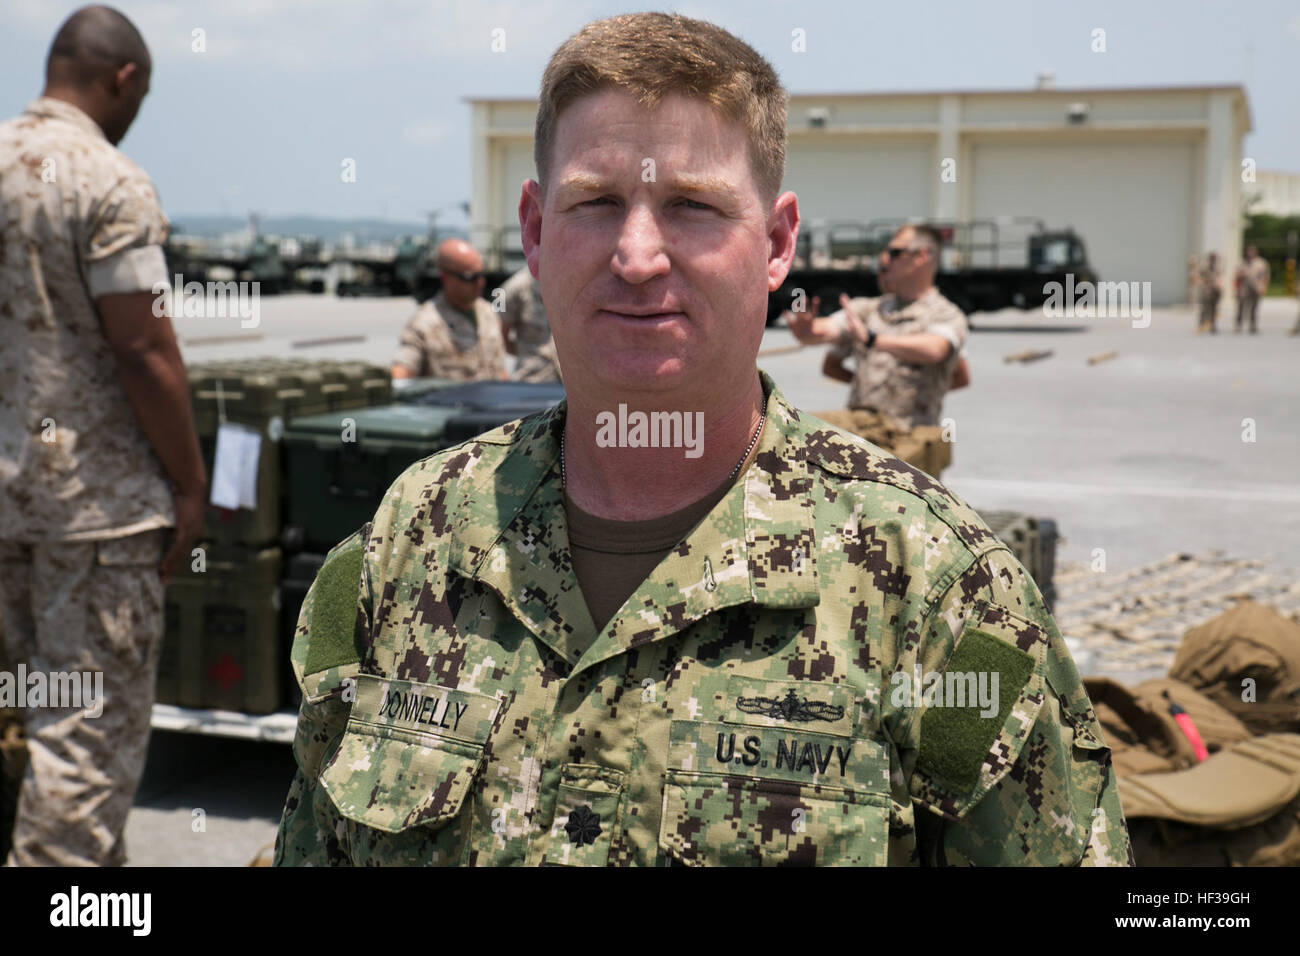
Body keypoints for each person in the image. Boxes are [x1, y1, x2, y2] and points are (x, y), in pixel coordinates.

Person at [276, 12, 1131, 867]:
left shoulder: (937, 591)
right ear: (535, 232)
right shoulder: (414, 539)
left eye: (692, 206)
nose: (638, 256)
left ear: (777, 242)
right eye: (597, 202)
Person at [0, 5, 206, 866]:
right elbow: (144, 347)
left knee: (20, 732)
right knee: (80, 748)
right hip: (93, 520)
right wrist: (190, 484)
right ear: (123, 80)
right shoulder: (109, 182)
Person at [786, 224, 967, 431]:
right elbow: (828, 329)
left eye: (895, 253)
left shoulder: (946, 314)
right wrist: (808, 332)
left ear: (921, 257)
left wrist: (873, 339)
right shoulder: (869, 309)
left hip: (908, 434)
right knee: (795, 433)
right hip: (863, 433)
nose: (886, 259)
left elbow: (936, 349)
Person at [390, 238, 507, 381]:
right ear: (445, 277)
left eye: (481, 275)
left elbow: (500, 371)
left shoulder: (489, 313)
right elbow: (401, 375)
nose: (480, 283)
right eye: (470, 277)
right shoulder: (424, 324)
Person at [498, 266, 562, 382]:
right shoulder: (513, 288)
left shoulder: (565, 282)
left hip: (566, 380)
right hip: (533, 378)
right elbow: (499, 335)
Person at [1234, 245, 1269, 334]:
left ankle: (1253, 325)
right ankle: (1238, 324)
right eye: (1249, 251)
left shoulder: (1260, 263)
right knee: (1241, 306)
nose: (1250, 253)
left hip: (1256, 287)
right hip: (1244, 287)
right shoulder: (1241, 262)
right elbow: (1236, 276)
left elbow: (1265, 276)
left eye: (1252, 251)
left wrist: (1263, 287)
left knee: (1254, 307)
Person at [1197, 252, 1221, 334]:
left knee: (1214, 308)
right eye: (1212, 258)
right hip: (1206, 290)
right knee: (1204, 308)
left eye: (1215, 258)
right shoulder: (1205, 267)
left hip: (1215, 290)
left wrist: (1218, 285)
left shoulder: (1218, 267)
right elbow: (1199, 276)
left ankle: (1212, 325)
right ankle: (1201, 324)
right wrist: (1203, 284)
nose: (1213, 260)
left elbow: (1220, 277)